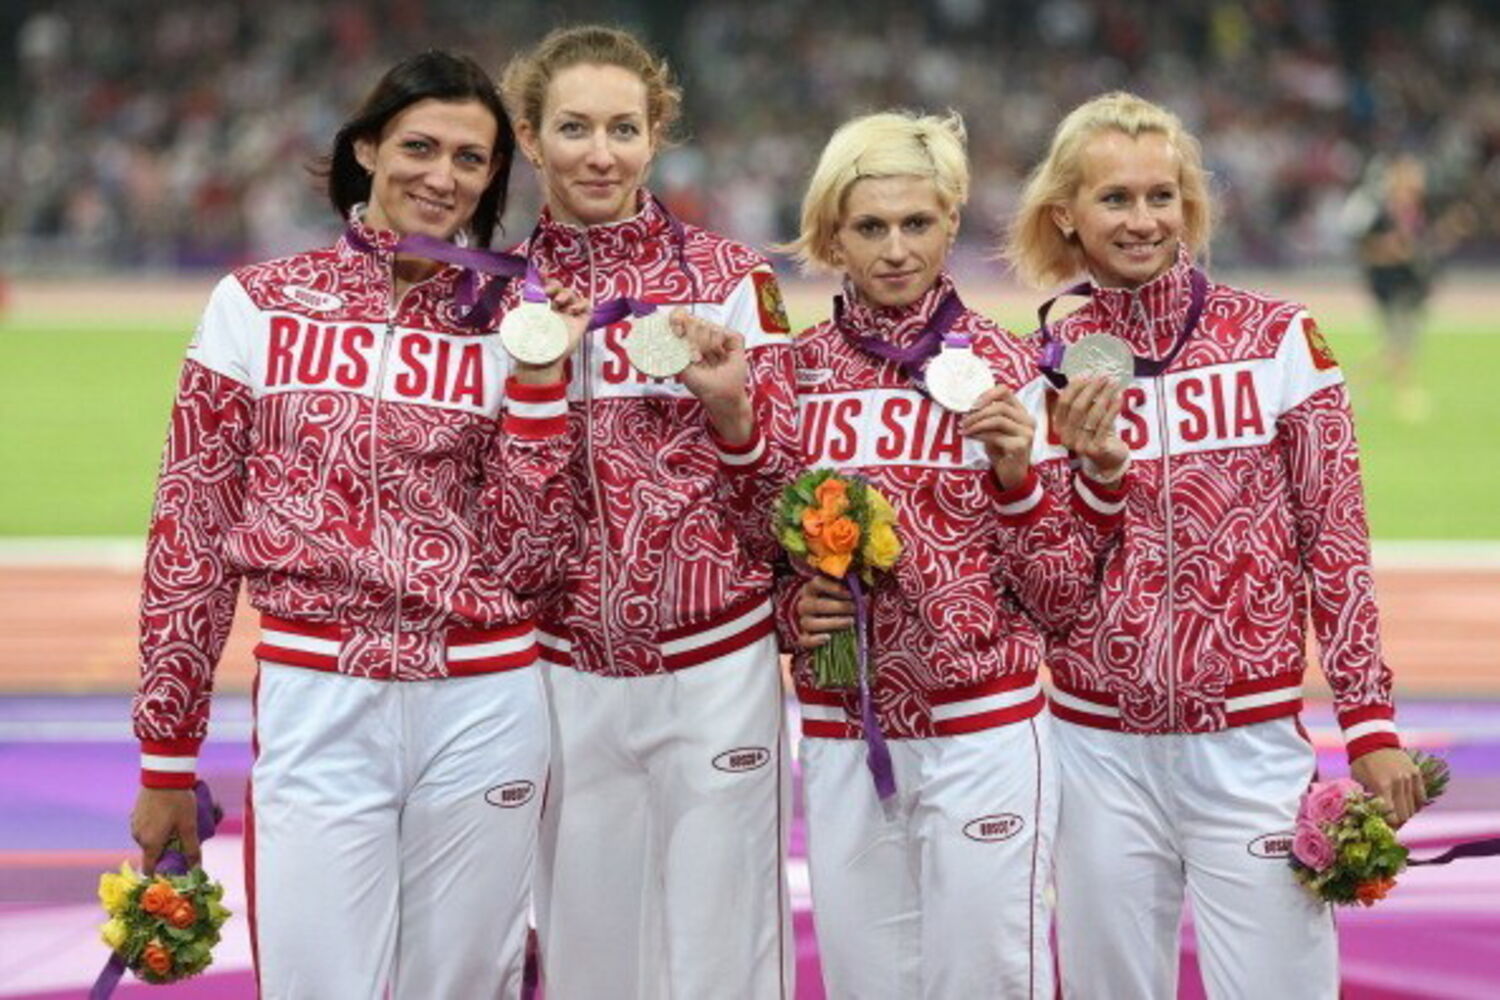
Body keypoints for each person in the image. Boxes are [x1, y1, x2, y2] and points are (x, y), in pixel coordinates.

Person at [128, 51, 589, 999]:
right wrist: (168, 751)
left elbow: (536, 558)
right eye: (420, 146)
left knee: (465, 984)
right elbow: (191, 527)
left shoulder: (525, 318)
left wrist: (542, 387)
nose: (442, 176)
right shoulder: (257, 304)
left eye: (471, 159)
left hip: (485, 702)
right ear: (367, 149)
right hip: (320, 692)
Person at [1005, 91, 1426, 999]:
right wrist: (1093, 479)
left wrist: (1369, 723)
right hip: (1093, 749)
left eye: (1162, 196)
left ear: (1189, 205)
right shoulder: (1037, 367)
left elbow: (1335, 542)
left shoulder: (1277, 339)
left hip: (1251, 744)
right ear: (1066, 215)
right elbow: (1043, 587)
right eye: (1115, 199)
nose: (1143, 220)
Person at [780, 110, 1129, 999]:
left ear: (951, 222)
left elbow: (1062, 597)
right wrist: (793, 611)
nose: (897, 250)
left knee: (988, 982)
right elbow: (756, 553)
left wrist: (1017, 477)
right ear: (833, 235)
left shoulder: (1016, 370)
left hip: (985, 729)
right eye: (870, 227)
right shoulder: (791, 375)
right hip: (843, 727)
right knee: (867, 987)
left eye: (917, 222)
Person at [499, 25, 799, 999]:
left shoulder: (732, 280)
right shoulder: (489, 296)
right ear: (530, 137)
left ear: (656, 133)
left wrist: (734, 413)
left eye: (623, 129)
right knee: (588, 963)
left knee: (726, 961)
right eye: (574, 128)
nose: (601, 153)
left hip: (716, 666)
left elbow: (789, 498)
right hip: (561, 672)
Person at [1343, 152, 1473, 422]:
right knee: (1399, 344)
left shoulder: (1419, 211)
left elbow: (1426, 245)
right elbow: (1368, 250)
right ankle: (1368, 385)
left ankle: (1394, 390)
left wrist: (1448, 231)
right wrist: (1396, 251)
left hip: (1413, 286)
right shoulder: (1381, 213)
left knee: (1403, 345)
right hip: (1390, 285)